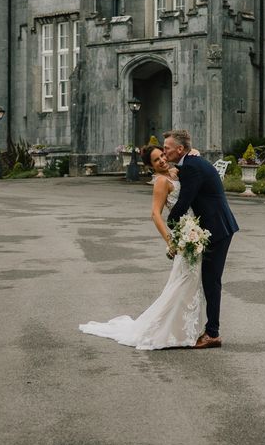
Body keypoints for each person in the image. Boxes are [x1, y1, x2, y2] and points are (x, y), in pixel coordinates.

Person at [78, 145, 205, 349]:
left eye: (163, 156)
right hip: (184, 236)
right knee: (183, 281)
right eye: (157, 160)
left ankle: (186, 328)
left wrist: (194, 153)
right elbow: (155, 214)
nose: (163, 160)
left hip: (194, 231)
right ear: (150, 166)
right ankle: (170, 329)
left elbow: (188, 161)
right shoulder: (161, 182)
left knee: (190, 281)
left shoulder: (174, 172)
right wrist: (170, 241)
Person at [164, 129, 239, 349]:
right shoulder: (191, 163)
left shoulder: (192, 167)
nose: (164, 150)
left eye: (167, 147)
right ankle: (209, 329)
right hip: (213, 227)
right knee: (208, 279)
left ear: (180, 149)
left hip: (217, 228)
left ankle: (213, 333)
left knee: (211, 281)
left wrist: (170, 225)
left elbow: (184, 202)